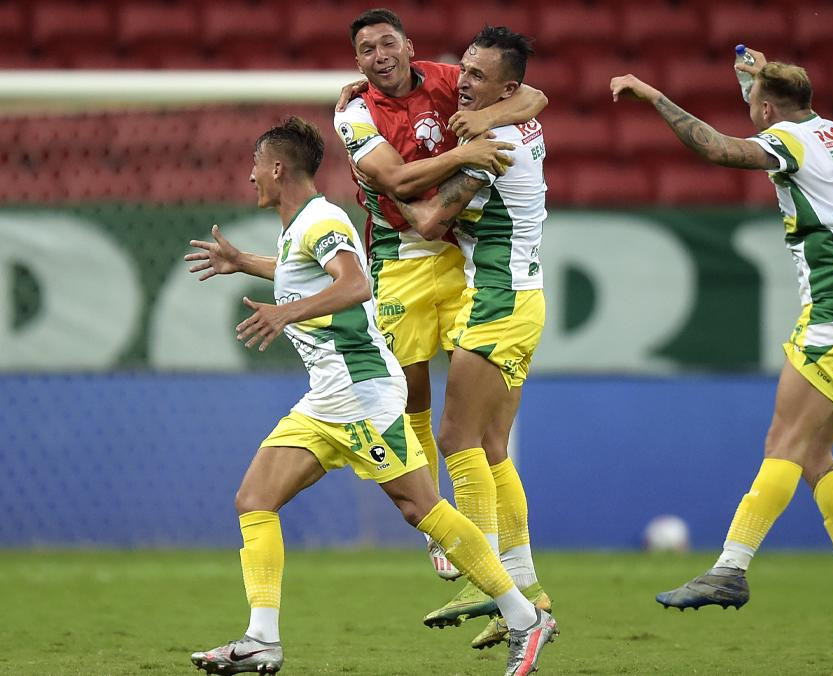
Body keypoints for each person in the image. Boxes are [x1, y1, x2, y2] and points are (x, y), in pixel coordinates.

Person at [183, 116, 557, 676]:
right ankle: (262, 639)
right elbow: (302, 275)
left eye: (256, 164)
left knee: (420, 508)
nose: (251, 175)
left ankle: (525, 616)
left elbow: (356, 283)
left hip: (361, 394)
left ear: (277, 167)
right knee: (253, 499)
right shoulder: (298, 229)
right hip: (324, 400)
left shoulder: (322, 218)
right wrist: (245, 264)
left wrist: (285, 313)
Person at [610, 50, 833, 643]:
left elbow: (717, 147)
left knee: (784, 443)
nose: (751, 113)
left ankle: (730, 569)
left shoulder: (787, 139)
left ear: (768, 109)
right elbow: (778, 102)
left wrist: (650, 93)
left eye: (754, 105)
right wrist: (757, 78)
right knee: (813, 454)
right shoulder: (832, 131)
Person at [333, 8, 548, 583]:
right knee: (412, 398)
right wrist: (465, 152)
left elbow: (533, 97)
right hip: (400, 257)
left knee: (472, 423)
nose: (380, 56)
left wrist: (488, 121)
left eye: (388, 43)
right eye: (367, 49)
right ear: (357, 62)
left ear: (408, 46)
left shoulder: (454, 80)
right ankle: (441, 523)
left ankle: (488, 557)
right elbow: (397, 182)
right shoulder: (354, 113)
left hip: (457, 254)